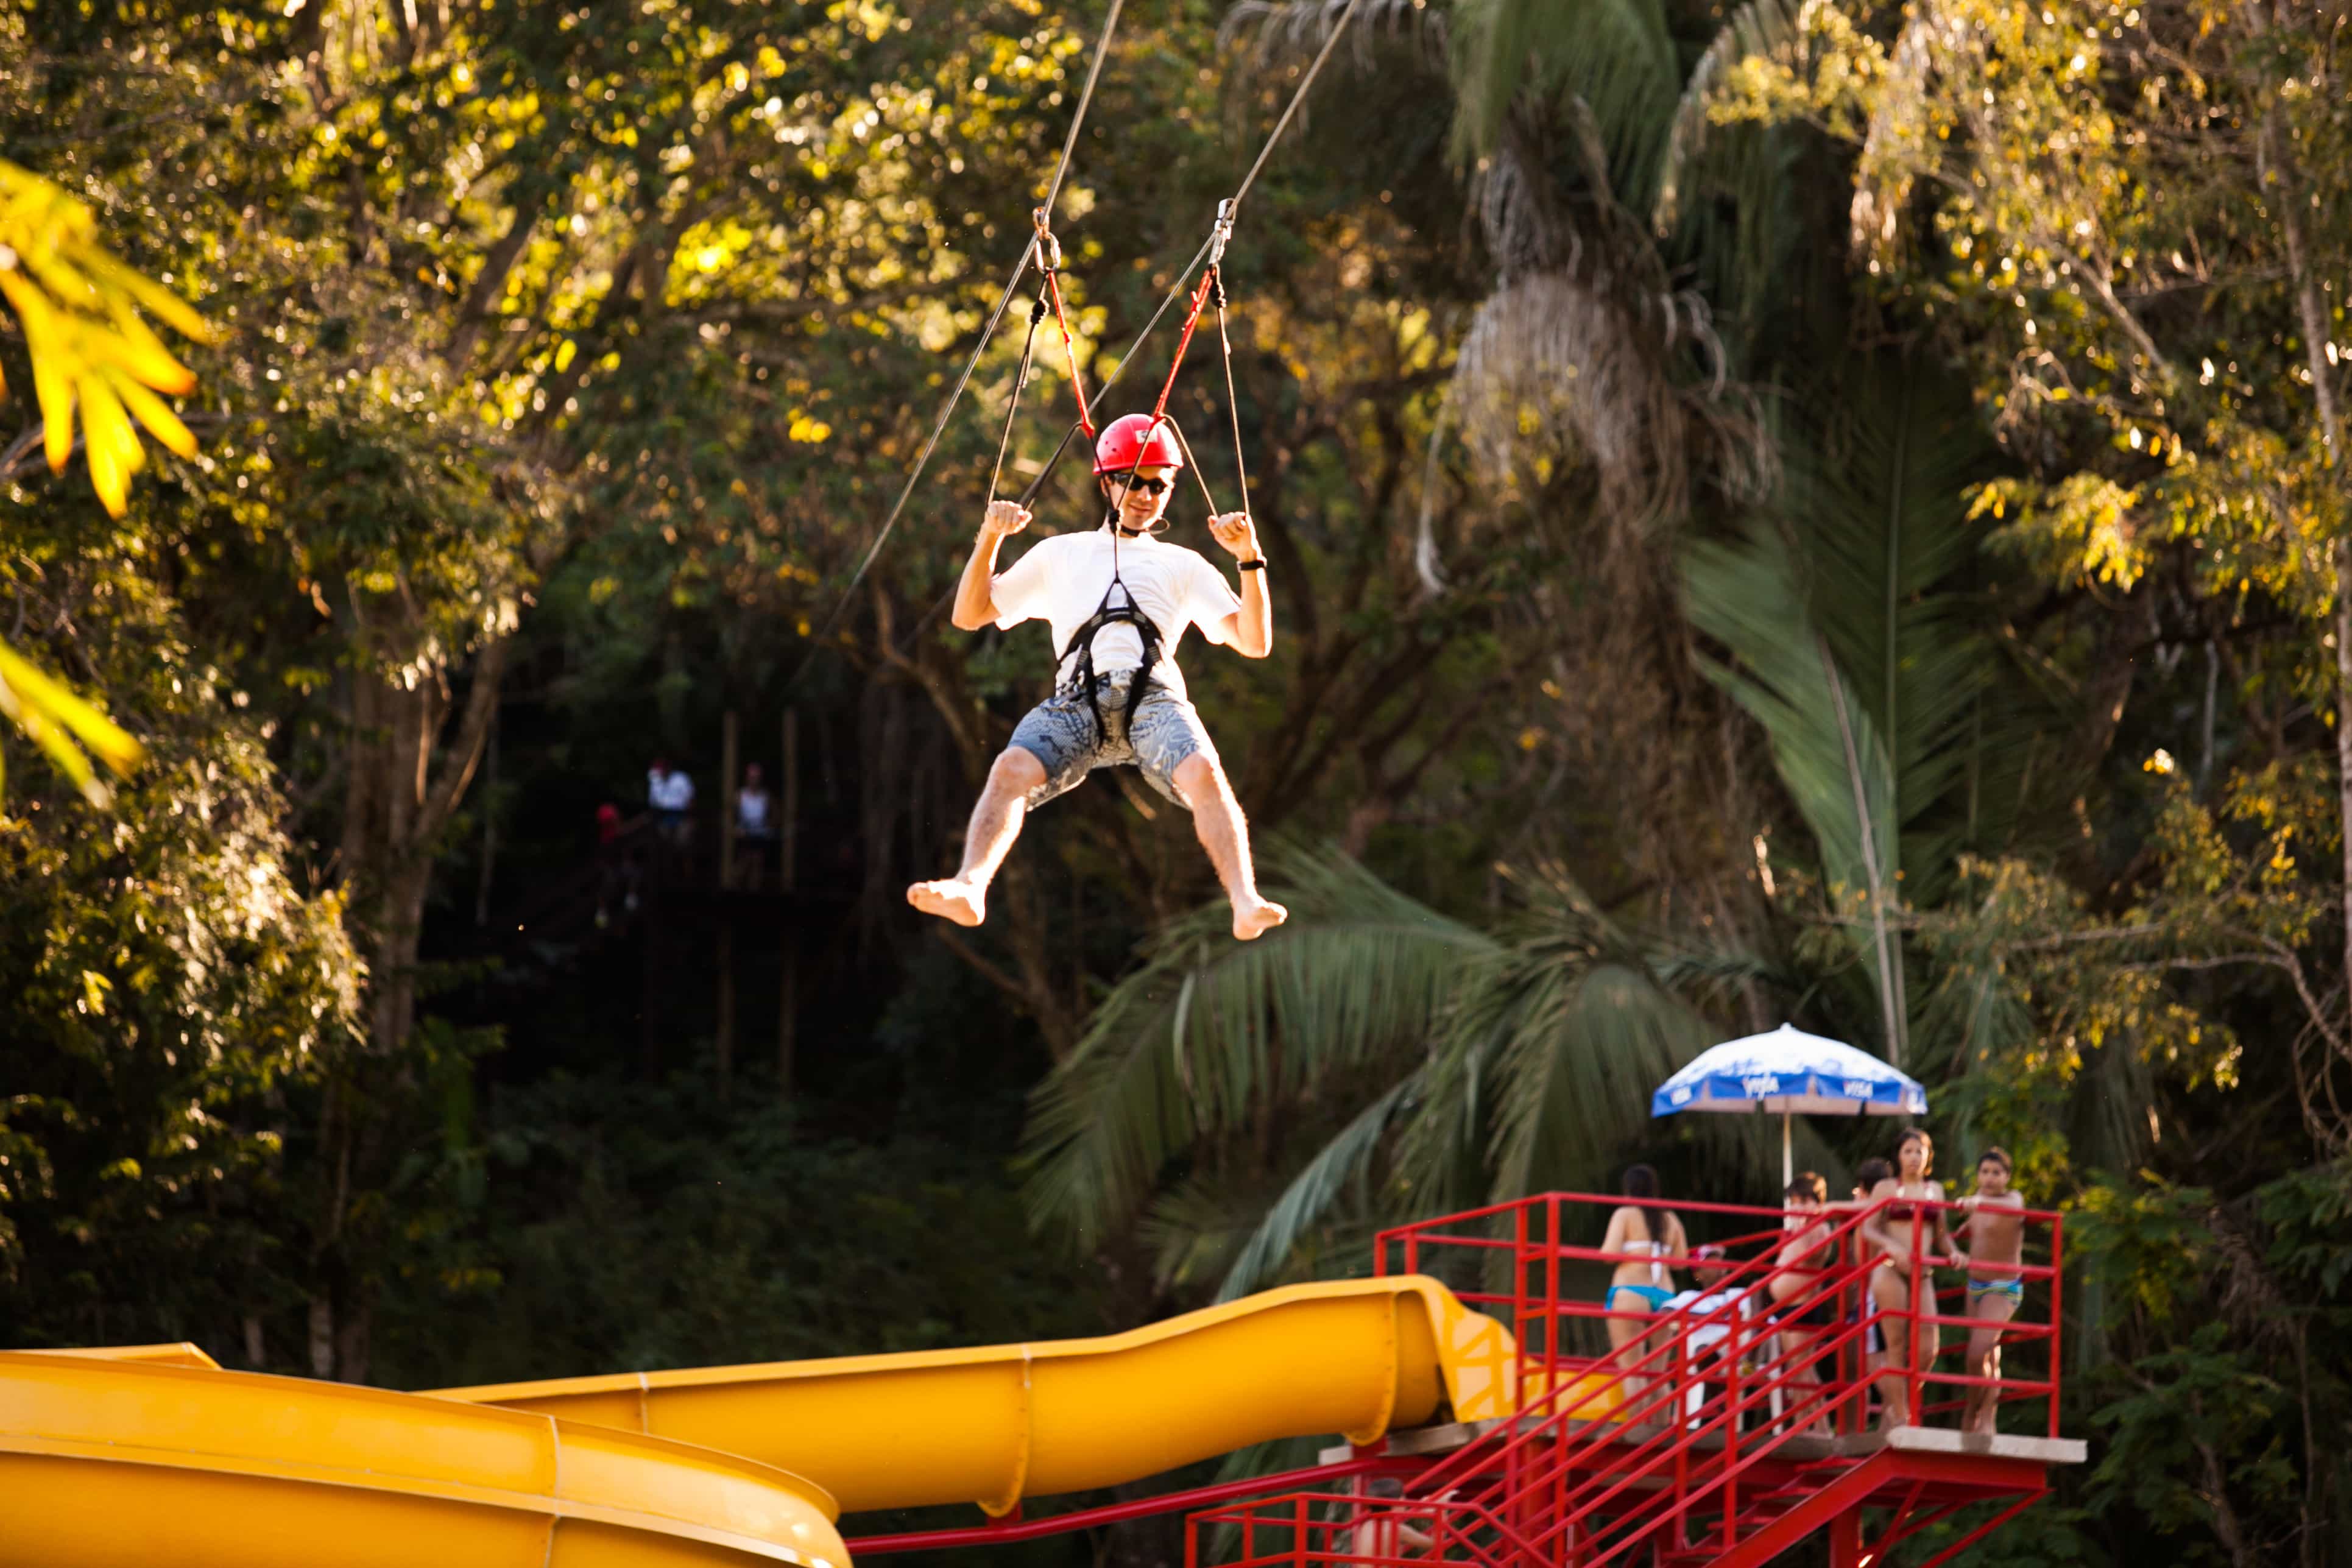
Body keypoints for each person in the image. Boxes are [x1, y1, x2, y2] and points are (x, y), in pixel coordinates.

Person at [905, 414, 1288, 942]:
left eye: (1159, 485)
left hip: (1155, 700)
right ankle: (971, 887)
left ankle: (1244, 901)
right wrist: (990, 537)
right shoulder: (1060, 552)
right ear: (1107, 482)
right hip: (1076, 701)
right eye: (1134, 481)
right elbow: (969, 615)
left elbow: (1254, 642)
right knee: (1009, 768)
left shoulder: (1184, 563)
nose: (1146, 495)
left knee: (1204, 772)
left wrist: (1250, 560)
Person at [1861, 1129, 1963, 1429]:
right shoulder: (1885, 1187)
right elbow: (1868, 1228)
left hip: (1923, 1271)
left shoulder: (1936, 1190)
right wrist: (1890, 1245)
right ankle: (1902, 1416)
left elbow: (1942, 1236)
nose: (1914, 1157)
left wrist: (1955, 1253)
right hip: (1890, 1268)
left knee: (1928, 1347)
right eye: (1908, 1151)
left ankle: (1895, 1408)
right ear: (1898, 1155)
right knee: (1896, 1342)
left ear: (1929, 1156)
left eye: (1920, 1151)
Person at [1598, 1164, 1688, 1397]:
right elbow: (1680, 1263)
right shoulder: (1670, 1218)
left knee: (1632, 1372)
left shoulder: (1624, 1215)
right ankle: (1663, 1431)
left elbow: (1608, 1254)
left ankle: (1636, 1433)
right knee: (1658, 1374)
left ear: (1628, 1189)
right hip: (1666, 1296)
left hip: (1631, 1292)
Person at [1954, 1146, 2025, 1435]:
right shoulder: (1977, 1206)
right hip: (1976, 1286)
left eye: (1997, 1173)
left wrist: (1976, 1202)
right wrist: (1954, 1249)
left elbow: (2014, 1210)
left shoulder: (2012, 1199)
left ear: (2007, 1177)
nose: (1990, 1178)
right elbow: (1957, 1237)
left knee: (1976, 1354)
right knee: (1987, 1356)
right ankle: (1982, 1414)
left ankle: (1978, 1410)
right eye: (1985, 1172)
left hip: (2003, 1287)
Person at [1766, 1172, 1836, 1429]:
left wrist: (1802, 1228)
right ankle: (1802, 1427)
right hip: (1789, 1306)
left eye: (1805, 1201)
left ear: (1818, 1202)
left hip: (1803, 1305)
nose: (1798, 1207)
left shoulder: (1819, 1226)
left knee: (1803, 1372)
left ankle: (1822, 1429)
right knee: (1795, 1373)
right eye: (1795, 1201)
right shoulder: (1797, 1226)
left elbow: (1814, 1254)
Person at [1347, 1477, 1435, 1564]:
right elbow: (1434, 1543)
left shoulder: (1367, 1525)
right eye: (1404, 1499)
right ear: (1398, 1503)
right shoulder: (1397, 1529)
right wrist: (1441, 1513)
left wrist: (1419, 1508)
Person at [648, 758, 696, 846]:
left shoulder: (681, 779)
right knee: (663, 842)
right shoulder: (655, 780)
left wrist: (690, 817)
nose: (660, 772)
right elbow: (653, 802)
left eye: (662, 769)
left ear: (668, 768)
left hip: (682, 816)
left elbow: (690, 799)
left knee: (682, 843)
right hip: (663, 816)